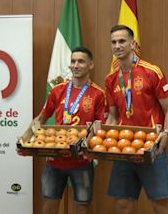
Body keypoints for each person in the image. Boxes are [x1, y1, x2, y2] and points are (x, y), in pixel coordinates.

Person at [19, 46, 106, 214]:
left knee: (82, 205)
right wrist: (24, 138)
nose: (76, 65)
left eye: (81, 61)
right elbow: (41, 118)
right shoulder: (57, 90)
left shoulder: (98, 94)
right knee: (49, 204)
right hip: (54, 158)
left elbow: (99, 126)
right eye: (73, 61)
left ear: (91, 65)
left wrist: (86, 143)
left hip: (81, 160)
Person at [104, 25, 168, 214]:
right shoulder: (111, 79)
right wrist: (101, 140)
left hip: (151, 147)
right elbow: (113, 116)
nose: (117, 46)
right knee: (123, 204)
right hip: (123, 147)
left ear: (132, 43)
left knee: (159, 204)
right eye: (114, 42)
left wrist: (167, 133)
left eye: (122, 41)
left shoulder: (152, 72)